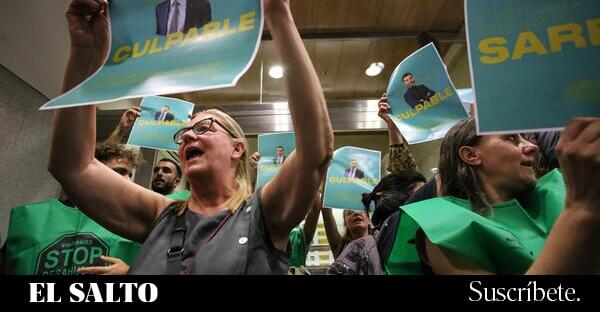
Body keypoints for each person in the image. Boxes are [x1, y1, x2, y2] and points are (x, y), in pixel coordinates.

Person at [49, 0, 333, 274]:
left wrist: (278, 14)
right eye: (183, 133)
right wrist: (85, 54)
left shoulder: (263, 214)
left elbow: (316, 150)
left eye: (203, 128)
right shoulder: (160, 215)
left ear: (237, 148)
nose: (186, 136)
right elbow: (73, 167)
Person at [398, 117, 600, 274]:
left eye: (525, 139)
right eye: (512, 138)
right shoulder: (445, 229)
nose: (533, 147)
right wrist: (580, 210)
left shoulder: (561, 190)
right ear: (471, 155)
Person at [3, 143, 143, 275]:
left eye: (130, 175)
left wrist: (130, 272)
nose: (129, 181)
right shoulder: (31, 219)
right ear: (92, 172)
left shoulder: (135, 226)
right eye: (120, 172)